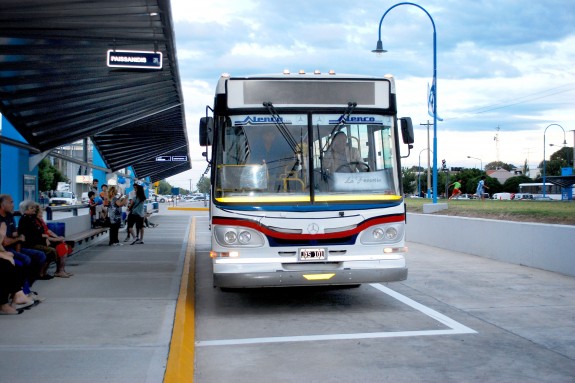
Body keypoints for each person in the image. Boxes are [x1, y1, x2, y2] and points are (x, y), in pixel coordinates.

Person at [18, 200, 70, 278]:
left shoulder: (31, 218)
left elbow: (40, 232)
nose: (34, 210)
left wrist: (50, 237)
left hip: (37, 241)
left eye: (34, 208)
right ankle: (42, 273)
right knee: (51, 251)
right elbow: (32, 234)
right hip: (31, 244)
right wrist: (45, 237)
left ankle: (56, 271)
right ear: (26, 210)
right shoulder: (25, 219)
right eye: (31, 208)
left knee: (59, 246)